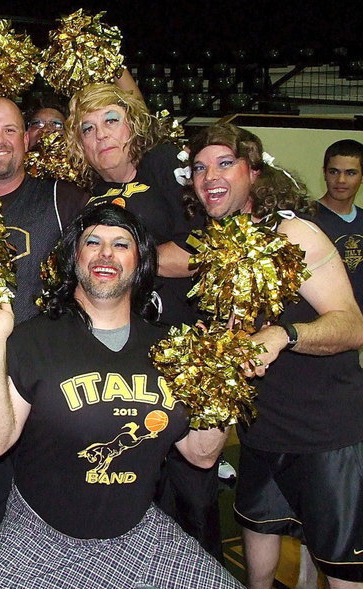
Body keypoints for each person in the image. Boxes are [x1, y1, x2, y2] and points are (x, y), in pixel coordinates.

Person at [0, 203, 243, 589]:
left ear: (140, 262)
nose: (106, 253)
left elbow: (201, 453)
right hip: (37, 536)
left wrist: (224, 381)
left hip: (140, 535)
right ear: (74, 256)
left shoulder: (173, 349)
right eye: (92, 241)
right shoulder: (31, 340)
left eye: (121, 244)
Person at [185, 122, 363, 589]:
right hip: (263, 430)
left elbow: (352, 326)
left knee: (343, 570)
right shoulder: (222, 243)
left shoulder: (294, 233)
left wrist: (284, 334)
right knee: (258, 540)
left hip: (326, 435)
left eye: (224, 163)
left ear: (254, 173)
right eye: (199, 167)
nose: (208, 176)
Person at [65, 82, 224, 560]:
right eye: (88, 129)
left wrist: (128, 258)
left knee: (194, 493)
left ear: (133, 123)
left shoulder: (163, 165)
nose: (101, 136)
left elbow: (206, 248)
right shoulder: (91, 194)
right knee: (138, 490)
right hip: (126, 359)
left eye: (111, 121)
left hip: (185, 351)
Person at [0, 93, 88, 567]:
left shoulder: (60, 198)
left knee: (52, 511)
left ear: (27, 138)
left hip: (48, 388)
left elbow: (97, 273)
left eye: (9, 129)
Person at [0, 7, 144, 161]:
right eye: (36, 124)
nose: (46, 130)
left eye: (57, 125)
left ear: (72, 137)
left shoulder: (89, 166)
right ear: (24, 138)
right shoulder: (3, 163)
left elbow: (139, 116)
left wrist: (107, 57)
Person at [314, 139, 363, 334]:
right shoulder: (306, 219)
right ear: (324, 173)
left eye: (350, 173)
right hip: (322, 333)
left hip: (361, 333)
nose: (341, 180)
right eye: (334, 171)